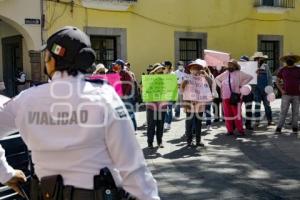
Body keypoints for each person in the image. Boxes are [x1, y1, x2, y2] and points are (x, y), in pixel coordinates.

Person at [0, 26, 160, 200]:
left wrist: (5, 174)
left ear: (52, 59)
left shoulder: (26, 99)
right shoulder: (104, 97)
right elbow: (131, 163)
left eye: (46, 55)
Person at [215, 59, 253, 136]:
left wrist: (242, 84)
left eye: (231, 64)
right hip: (225, 96)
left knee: (237, 114)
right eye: (229, 65)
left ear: (235, 66)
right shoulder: (225, 73)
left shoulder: (239, 73)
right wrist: (221, 86)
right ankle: (230, 130)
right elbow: (216, 79)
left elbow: (250, 77)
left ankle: (240, 130)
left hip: (236, 96)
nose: (229, 66)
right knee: (227, 114)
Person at [181, 59, 212, 147]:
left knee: (199, 123)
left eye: (197, 68)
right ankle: (189, 141)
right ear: (190, 70)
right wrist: (184, 83)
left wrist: (205, 74)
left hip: (200, 104)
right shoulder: (186, 78)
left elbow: (211, 83)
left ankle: (198, 140)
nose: (195, 70)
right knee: (189, 123)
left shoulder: (203, 78)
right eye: (193, 68)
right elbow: (181, 90)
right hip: (189, 104)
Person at [275, 54, 300, 134]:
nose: (290, 60)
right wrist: (281, 90)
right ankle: (279, 127)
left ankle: (295, 127)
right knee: (283, 111)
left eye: (291, 58)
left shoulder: (298, 69)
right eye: (288, 59)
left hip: (297, 94)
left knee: (295, 112)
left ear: (294, 60)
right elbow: (277, 81)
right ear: (286, 61)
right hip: (286, 94)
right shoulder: (282, 69)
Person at [146, 63, 168, 148]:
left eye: (162, 70)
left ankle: (160, 142)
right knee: (151, 125)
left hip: (162, 106)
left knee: (160, 125)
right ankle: (150, 143)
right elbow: (144, 90)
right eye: (158, 70)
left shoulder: (166, 80)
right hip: (151, 106)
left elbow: (169, 90)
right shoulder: (148, 79)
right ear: (154, 71)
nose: (160, 71)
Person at [112, 59, 137, 131]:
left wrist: (125, 94)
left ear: (120, 66)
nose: (114, 66)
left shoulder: (126, 73)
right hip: (119, 96)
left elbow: (130, 84)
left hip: (126, 97)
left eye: (116, 64)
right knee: (121, 114)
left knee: (130, 112)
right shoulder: (116, 73)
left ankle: (134, 129)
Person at [251, 52, 273, 127]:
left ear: (262, 59)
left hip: (266, 89)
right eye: (257, 58)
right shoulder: (253, 67)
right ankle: (257, 121)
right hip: (256, 90)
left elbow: (270, 77)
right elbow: (251, 79)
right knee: (257, 105)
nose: (258, 60)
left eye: (259, 58)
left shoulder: (265, 66)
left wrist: (270, 88)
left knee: (267, 105)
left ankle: (269, 120)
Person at [239, 55, 254, 130]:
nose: (242, 63)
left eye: (244, 62)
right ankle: (238, 124)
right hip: (239, 92)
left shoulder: (252, 70)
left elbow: (253, 82)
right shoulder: (237, 71)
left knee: (248, 109)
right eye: (241, 61)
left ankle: (248, 124)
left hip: (248, 93)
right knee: (238, 109)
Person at [163, 61, 175, 130]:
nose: (166, 67)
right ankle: (165, 122)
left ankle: (169, 123)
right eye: (165, 66)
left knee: (169, 108)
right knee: (164, 108)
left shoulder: (172, 74)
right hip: (164, 93)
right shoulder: (163, 72)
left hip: (170, 93)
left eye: (167, 65)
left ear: (169, 66)